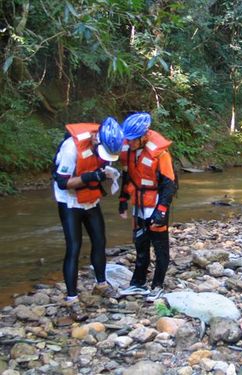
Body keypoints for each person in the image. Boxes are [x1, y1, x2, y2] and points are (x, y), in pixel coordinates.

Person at [53, 117, 124, 321]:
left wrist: (108, 174)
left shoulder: (109, 142)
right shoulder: (70, 148)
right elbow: (62, 183)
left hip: (91, 200)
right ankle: (72, 298)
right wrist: (91, 177)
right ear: (95, 138)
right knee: (74, 248)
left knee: (100, 241)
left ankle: (101, 284)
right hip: (69, 201)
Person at [117, 112, 177, 302]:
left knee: (160, 246)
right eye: (129, 139)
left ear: (144, 136)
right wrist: (123, 199)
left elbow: (170, 184)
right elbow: (128, 176)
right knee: (140, 244)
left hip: (156, 201)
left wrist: (162, 210)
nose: (131, 142)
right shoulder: (129, 149)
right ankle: (138, 282)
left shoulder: (161, 154)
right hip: (139, 202)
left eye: (134, 139)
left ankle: (157, 285)